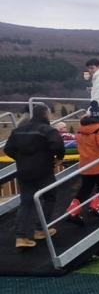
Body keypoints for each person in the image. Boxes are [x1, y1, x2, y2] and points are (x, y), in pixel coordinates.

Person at [3, 104, 65, 248]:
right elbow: (57, 145)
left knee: (26, 202)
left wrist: (20, 158)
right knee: (49, 197)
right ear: (46, 114)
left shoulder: (18, 130)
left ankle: (21, 237)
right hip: (44, 170)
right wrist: (59, 158)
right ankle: (40, 229)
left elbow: (8, 149)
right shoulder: (47, 130)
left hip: (24, 170)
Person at [64, 114, 99, 225]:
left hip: (85, 164)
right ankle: (96, 207)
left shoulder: (81, 128)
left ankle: (73, 211)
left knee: (85, 189)